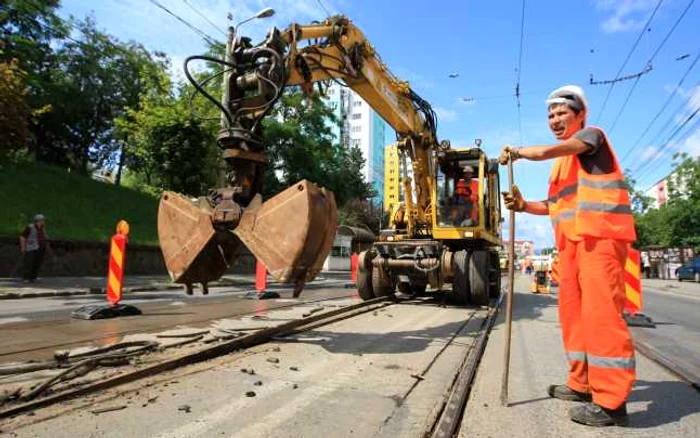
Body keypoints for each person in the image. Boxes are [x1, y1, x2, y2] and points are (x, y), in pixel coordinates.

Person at [499, 85, 636, 427]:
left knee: (602, 317)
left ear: (580, 115)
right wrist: (524, 205)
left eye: (562, 113)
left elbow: (554, 149)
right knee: (574, 318)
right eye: (550, 115)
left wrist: (520, 152)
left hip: (600, 238)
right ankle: (582, 384)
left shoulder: (592, 137)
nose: (555, 120)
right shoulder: (562, 164)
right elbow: (555, 205)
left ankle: (611, 402)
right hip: (571, 246)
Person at [19, 214, 49, 283]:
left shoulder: (42, 228)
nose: (43, 222)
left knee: (37, 263)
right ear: (37, 221)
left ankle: (33, 277)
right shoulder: (29, 227)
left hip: (40, 248)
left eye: (43, 221)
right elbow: (22, 237)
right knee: (29, 263)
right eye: (41, 221)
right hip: (31, 248)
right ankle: (26, 278)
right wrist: (23, 248)